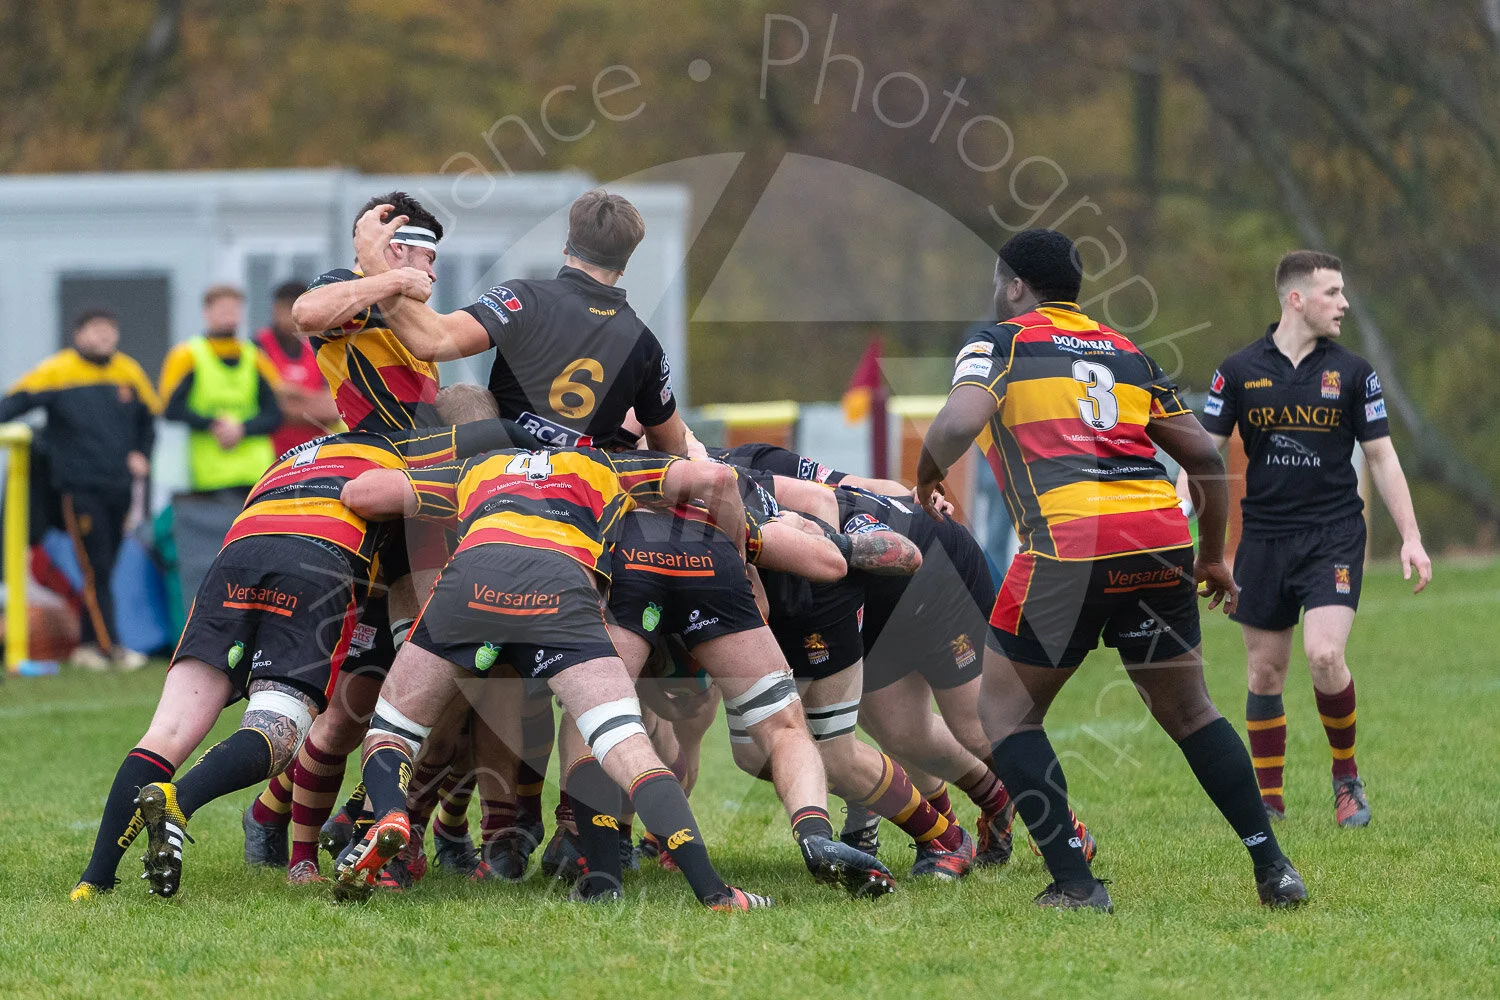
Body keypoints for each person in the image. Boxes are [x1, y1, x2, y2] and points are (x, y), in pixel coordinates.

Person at [916, 228, 1306, 911]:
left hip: (1070, 544)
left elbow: (956, 423)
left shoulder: (1000, 341)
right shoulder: (1128, 352)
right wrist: (1212, 554)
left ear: (1014, 286)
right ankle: (1273, 866)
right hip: (1159, 536)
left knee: (1005, 715)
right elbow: (1209, 461)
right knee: (1191, 711)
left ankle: (1075, 883)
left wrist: (927, 475)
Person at [68, 414, 529, 900]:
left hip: (235, 556)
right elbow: (501, 433)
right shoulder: (410, 447)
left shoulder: (296, 453)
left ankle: (93, 881)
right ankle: (182, 801)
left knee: (168, 731)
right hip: (315, 563)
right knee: (278, 729)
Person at [337, 446, 771, 909]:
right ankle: (714, 892)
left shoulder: (475, 467)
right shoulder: (604, 465)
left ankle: (389, 816)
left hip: (473, 576)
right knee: (625, 744)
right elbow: (719, 481)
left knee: (394, 729)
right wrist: (741, 562)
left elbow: (362, 493)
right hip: (560, 582)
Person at [1194, 250, 1431, 828]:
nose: (1344, 302)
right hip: (1264, 540)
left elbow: (1381, 456)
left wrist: (1412, 538)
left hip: (1334, 536)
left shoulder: (1354, 373)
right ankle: (1268, 801)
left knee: (1326, 655)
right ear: (1296, 299)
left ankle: (1346, 778)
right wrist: (1181, 508)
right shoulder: (1239, 370)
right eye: (1333, 292)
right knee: (1265, 673)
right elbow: (1201, 450)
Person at [349, 187, 688, 455]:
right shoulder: (645, 346)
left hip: (508, 488)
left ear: (567, 245)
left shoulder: (523, 299)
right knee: (643, 420)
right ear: (624, 265)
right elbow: (671, 449)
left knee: (461, 396)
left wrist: (373, 262)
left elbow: (431, 340)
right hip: (584, 497)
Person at [0, 310, 159, 670]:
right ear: (79, 334)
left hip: (119, 487)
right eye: (96, 331)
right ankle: (109, 647)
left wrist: (141, 453)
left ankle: (88, 645)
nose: (104, 337)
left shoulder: (128, 371)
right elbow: (13, 403)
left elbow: (149, 420)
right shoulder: (58, 371)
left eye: (110, 331)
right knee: (95, 566)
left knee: (105, 567)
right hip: (79, 488)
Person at [160, 285, 284, 495]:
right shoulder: (187, 355)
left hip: (255, 472)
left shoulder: (255, 357)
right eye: (223, 309)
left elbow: (275, 415)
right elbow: (170, 409)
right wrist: (213, 424)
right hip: (210, 475)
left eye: (235, 309)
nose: (230, 315)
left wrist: (242, 429)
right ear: (206, 313)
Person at [255, 279, 340, 457]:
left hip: (316, 454)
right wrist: (313, 404)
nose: (292, 317)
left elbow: (334, 409)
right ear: (275, 310)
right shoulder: (258, 347)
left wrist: (294, 395)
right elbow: (272, 408)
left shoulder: (319, 346)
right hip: (271, 456)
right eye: (286, 309)